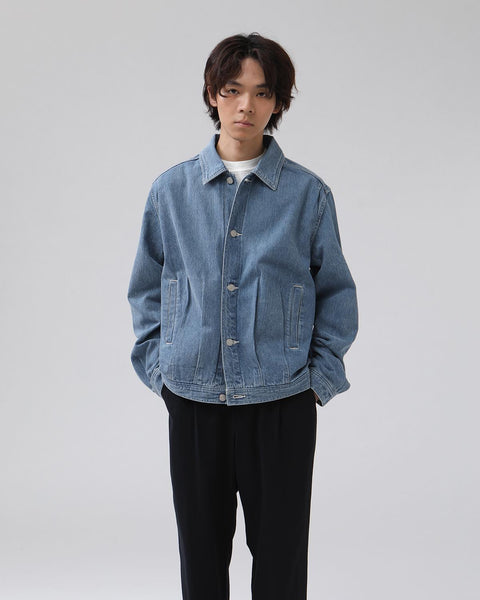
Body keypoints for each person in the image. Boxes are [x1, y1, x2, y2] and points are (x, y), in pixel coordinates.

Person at [127, 32, 358, 600]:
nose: (245, 106)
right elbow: (147, 292)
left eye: (262, 92)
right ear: (212, 94)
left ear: (278, 103)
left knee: (281, 564)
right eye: (232, 90)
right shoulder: (171, 191)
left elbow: (336, 294)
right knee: (201, 562)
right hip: (193, 401)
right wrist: (161, 373)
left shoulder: (308, 195)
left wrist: (317, 383)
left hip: (282, 404)